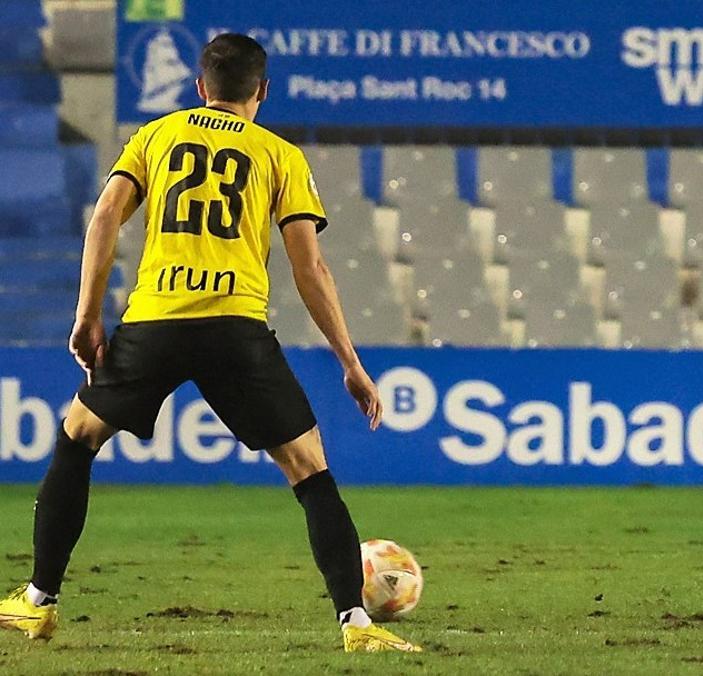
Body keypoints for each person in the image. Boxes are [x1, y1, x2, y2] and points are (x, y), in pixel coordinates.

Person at [0, 33, 419, 652]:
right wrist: (350, 363)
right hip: (235, 327)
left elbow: (105, 216)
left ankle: (38, 601)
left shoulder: (155, 136)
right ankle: (357, 626)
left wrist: (88, 315)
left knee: (78, 438)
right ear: (262, 91)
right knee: (309, 472)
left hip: (154, 322)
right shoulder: (280, 156)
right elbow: (311, 270)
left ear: (200, 87)